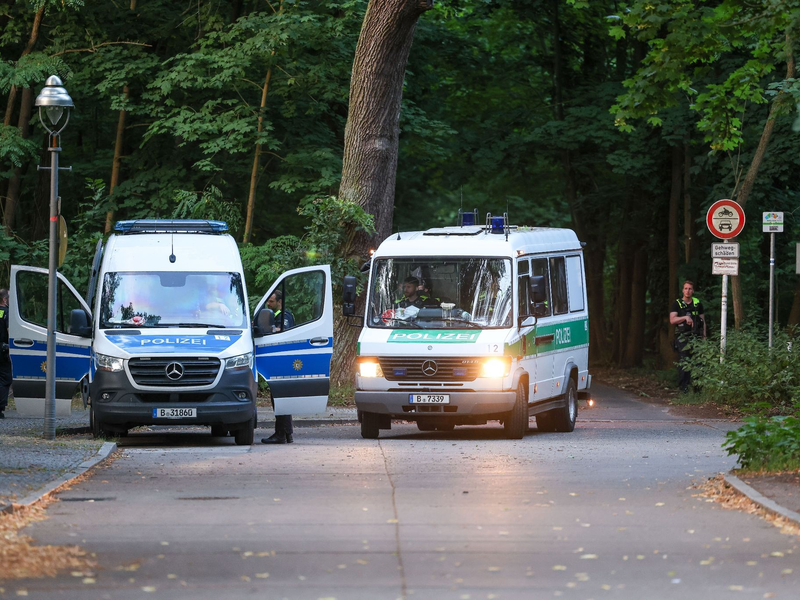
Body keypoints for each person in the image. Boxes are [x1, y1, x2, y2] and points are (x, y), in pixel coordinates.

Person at [262, 290, 295, 445]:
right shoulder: (276, 316)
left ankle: (280, 434)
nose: (269, 304)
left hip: (283, 362)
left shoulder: (284, 317)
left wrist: (266, 329)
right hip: (279, 361)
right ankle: (287, 433)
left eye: (271, 301)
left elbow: (283, 332)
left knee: (279, 399)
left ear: (279, 302)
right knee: (280, 399)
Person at [669, 280, 706, 393]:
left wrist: (704, 336)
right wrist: (685, 317)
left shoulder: (697, 303)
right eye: (685, 288)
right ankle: (683, 389)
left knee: (698, 362)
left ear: (693, 290)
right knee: (684, 362)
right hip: (683, 337)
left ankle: (697, 389)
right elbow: (672, 320)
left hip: (697, 337)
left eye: (690, 289)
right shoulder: (677, 304)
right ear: (682, 290)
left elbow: (703, 321)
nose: (688, 291)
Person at [0, 289, 11, 418]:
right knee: (4, 378)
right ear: (4, 299)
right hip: (3, 349)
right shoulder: (6, 313)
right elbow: (10, 332)